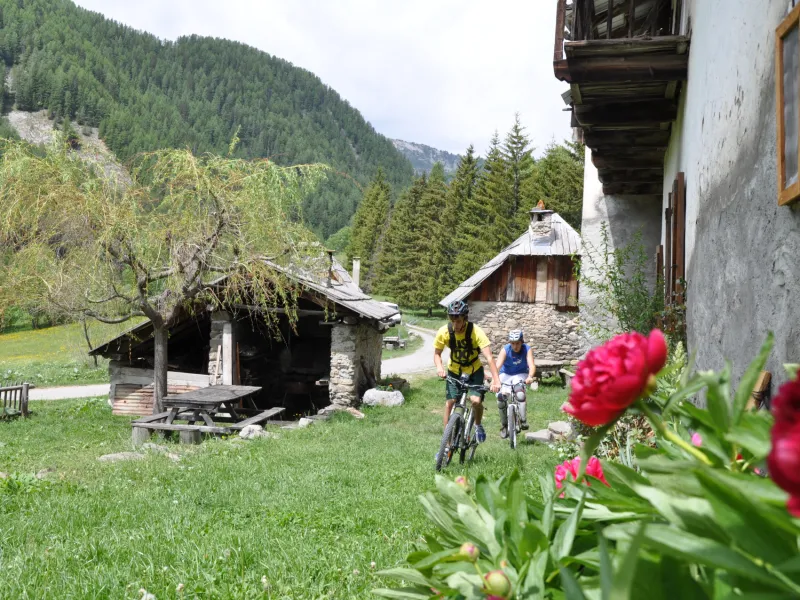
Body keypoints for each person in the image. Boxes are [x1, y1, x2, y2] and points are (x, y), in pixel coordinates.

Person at [433, 300, 501, 445]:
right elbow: (437, 354)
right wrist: (439, 367)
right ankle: (446, 445)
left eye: (458, 320)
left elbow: (489, 357)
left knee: (476, 401)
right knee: (449, 404)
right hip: (454, 371)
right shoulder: (444, 332)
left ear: (465, 318)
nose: (455, 324)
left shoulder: (475, 331)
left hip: (474, 370)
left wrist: (496, 380)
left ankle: (477, 425)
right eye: (452, 320)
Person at [494, 329, 535, 439]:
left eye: (517, 343)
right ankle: (504, 425)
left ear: (522, 342)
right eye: (512, 343)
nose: (515, 346)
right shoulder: (505, 350)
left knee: (520, 394)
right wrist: (494, 379)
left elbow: (531, 365)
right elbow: (497, 366)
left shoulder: (527, 349)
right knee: (501, 398)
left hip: (521, 374)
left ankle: (523, 419)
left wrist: (530, 376)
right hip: (506, 374)